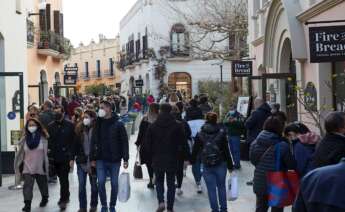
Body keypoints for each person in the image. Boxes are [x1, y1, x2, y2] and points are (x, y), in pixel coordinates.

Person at [144, 103, 188, 212]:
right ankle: (170, 207)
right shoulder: (177, 125)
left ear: (160, 111)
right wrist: (186, 157)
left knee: (159, 181)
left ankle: (161, 202)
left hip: (157, 157)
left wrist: (150, 155)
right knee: (171, 182)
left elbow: (147, 144)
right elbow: (183, 143)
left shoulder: (153, 126)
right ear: (171, 111)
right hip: (172, 157)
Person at [250, 116, 296, 212]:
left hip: (260, 180)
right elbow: (291, 165)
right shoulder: (283, 145)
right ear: (279, 128)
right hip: (277, 183)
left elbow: (253, 161)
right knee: (277, 210)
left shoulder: (254, 143)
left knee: (260, 208)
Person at [90, 100, 129, 212]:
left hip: (114, 159)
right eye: (100, 107)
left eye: (102, 107)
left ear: (109, 109)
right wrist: (92, 158)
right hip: (100, 159)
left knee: (114, 183)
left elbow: (124, 142)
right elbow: (93, 141)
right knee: (101, 182)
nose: (100, 110)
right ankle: (104, 205)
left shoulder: (119, 123)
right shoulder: (98, 123)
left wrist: (125, 158)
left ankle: (112, 205)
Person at [192, 112, 234, 212]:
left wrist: (192, 161)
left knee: (211, 189)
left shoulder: (200, 133)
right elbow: (226, 150)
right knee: (221, 187)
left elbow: (195, 150)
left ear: (206, 119)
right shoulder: (222, 132)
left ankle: (214, 209)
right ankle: (223, 209)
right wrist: (230, 166)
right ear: (216, 120)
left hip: (206, 164)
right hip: (221, 163)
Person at [14, 118, 49, 212]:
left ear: (37, 126)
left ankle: (45, 198)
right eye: (29, 125)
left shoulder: (43, 138)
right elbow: (20, 151)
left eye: (33, 125)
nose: (31, 127)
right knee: (27, 186)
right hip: (27, 166)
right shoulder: (25, 138)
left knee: (43, 185)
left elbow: (47, 151)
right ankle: (27, 204)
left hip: (40, 166)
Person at [47, 105, 75, 210]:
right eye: (55, 112)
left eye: (58, 112)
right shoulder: (50, 126)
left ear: (63, 113)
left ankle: (63, 199)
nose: (56, 114)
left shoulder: (70, 125)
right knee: (60, 178)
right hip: (54, 158)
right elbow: (49, 141)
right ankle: (66, 195)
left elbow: (73, 141)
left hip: (65, 157)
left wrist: (71, 156)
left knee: (63, 179)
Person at [73, 110, 98, 212]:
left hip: (93, 162)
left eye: (87, 117)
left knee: (94, 186)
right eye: (84, 117)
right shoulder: (79, 129)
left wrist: (96, 158)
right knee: (81, 186)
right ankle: (82, 207)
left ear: (92, 118)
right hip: (81, 161)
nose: (85, 119)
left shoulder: (97, 130)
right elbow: (74, 145)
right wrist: (71, 158)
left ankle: (93, 205)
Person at [135, 103, 160, 189]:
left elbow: (141, 133)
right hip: (158, 145)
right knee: (157, 163)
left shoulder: (145, 119)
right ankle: (156, 177)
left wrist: (138, 143)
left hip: (146, 145)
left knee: (149, 163)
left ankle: (151, 179)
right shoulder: (160, 119)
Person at [171, 105, 191, 196]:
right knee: (179, 170)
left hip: (169, 149)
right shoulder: (183, 122)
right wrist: (187, 156)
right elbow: (188, 134)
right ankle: (179, 187)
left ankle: (172, 184)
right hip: (180, 149)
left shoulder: (168, 122)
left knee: (171, 168)